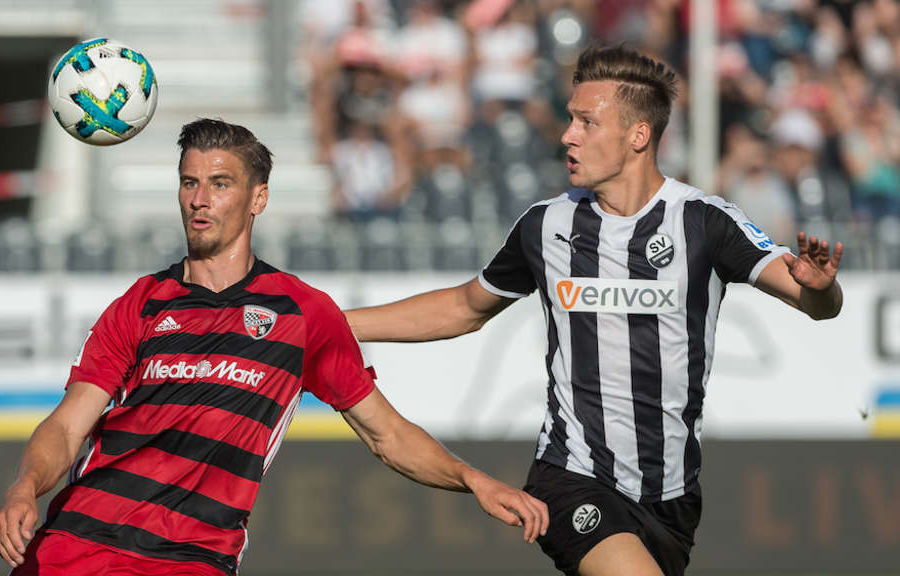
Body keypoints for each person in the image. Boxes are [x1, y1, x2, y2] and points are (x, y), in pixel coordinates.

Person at [345, 45, 844, 576]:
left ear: (638, 135)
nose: (568, 135)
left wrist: (818, 289)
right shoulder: (545, 225)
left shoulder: (704, 221)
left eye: (586, 121)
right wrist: (332, 320)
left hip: (671, 495)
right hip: (571, 475)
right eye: (569, 119)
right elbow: (464, 307)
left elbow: (816, 306)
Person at [0, 119, 548, 575]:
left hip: (191, 559)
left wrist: (473, 479)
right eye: (189, 183)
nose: (199, 200)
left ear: (258, 198)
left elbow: (389, 435)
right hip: (74, 545)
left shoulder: (303, 314)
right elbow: (66, 427)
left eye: (220, 183)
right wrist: (24, 489)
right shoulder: (140, 303)